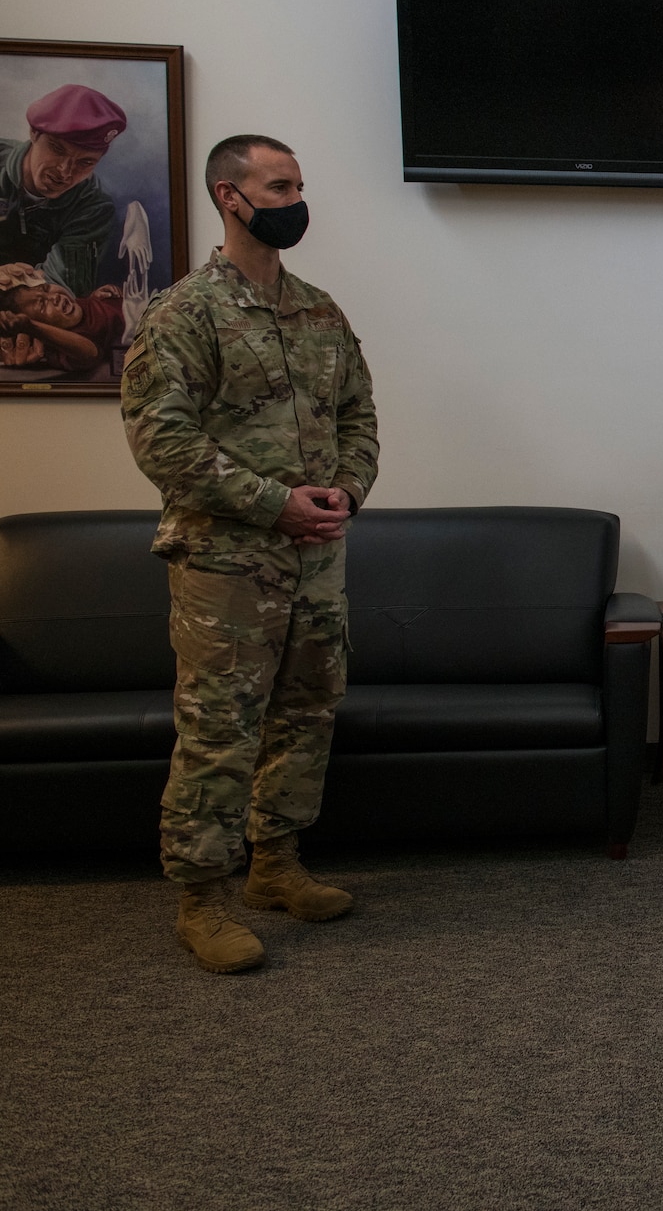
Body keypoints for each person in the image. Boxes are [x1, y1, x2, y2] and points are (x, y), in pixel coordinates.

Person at [121, 134, 379, 975]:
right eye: (279, 184)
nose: (296, 198)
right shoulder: (183, 313)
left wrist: (346, 488)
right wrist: (277, 504)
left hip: (318, 561)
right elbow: (162, 440)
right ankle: (202, 900)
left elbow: (358, 417)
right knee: (219, 729)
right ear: (231, 198)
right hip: (228, 565)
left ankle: (275, 866)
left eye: (301, 182)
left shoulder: (320, 310)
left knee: (306, 713)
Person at [0, 84, 127, 294]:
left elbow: (60, 289)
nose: (65, 172)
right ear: (34, 133)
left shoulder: (93, 207)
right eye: (57, 149)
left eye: (85, 163)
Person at [0, 272, 125, 371]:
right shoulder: (60, 347)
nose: (54, 297)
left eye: (46, 288)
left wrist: (95, 301)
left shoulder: (78, 305)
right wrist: (31, 327)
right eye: (42, 305)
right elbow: (91, 354)